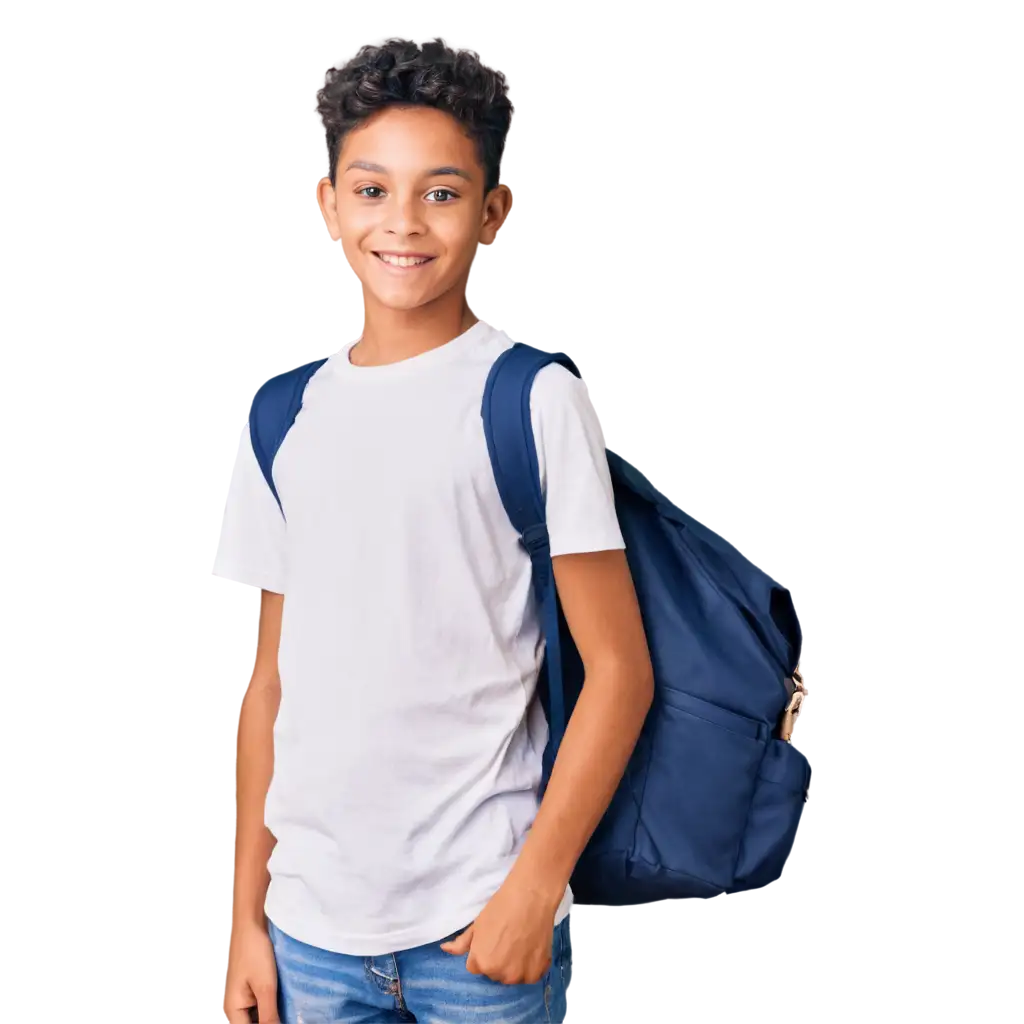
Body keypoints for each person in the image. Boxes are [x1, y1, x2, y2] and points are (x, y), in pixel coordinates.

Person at [209, 34, 654, 1024]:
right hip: (310, 934)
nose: (402, 222)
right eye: (371, 191)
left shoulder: (531, 401)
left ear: (491, 210)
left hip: (476, 924)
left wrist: (532, 891)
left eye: (440, 193)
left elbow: (618, 668)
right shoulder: (282, 419)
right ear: (326, 204)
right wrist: (246, 918)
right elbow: (271, 684)